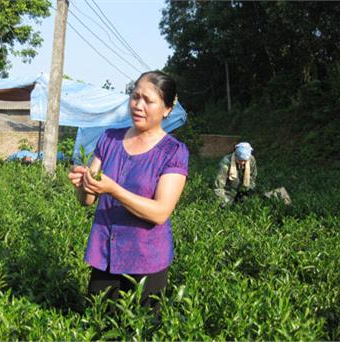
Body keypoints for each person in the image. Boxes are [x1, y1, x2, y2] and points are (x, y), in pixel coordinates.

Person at [68, 71, 188, 308]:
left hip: (146, 260)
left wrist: (113, 189)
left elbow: (160, 212)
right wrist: (84, 184)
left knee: (140, 329)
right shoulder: (109, 139)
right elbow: (87, 201)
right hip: (105, 255)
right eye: (135, 97)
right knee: (99, 325)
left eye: (148, 100)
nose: (138, 105)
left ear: (166, 109)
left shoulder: (173, 151)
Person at [214, 142, 257, 207]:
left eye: (244, 161)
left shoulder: (251, 160)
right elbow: (219, 185)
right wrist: (221, 200)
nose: (242, 163)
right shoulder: (226, 163)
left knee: (250, 204)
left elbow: (252, 178)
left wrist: (247, 191)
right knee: (225, 205)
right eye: (240, 160)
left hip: (242, 191)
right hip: (228, 191)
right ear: (236, 156)